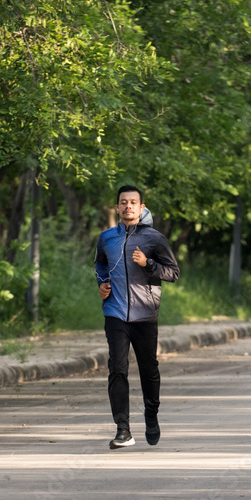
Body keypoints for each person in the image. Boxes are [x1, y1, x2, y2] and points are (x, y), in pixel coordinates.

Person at [95, 185, 180, 449]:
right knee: (117, 368)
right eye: (123, 202)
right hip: (115, 313)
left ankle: (151, 415)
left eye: (133, 202)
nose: (128, 206)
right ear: (117, 207)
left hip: (145, 315)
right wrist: (102, 283)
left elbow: (173, 273)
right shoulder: (106, 238)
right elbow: (100, 264)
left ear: (141, 208)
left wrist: (148, 264)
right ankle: (123, 429)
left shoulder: (155, 239)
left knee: (149, 370)